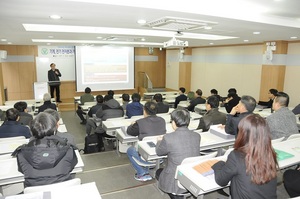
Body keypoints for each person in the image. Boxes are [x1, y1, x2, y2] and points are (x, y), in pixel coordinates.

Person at [212, 114, 278, 199]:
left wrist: (219, 164)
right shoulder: (270, 154)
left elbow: (221, 180)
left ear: (243, 133)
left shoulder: (236, 156)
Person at [13, 112, 78, 187]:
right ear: (55, 128)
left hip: (34, 192)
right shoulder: (68, 149)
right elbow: (71, 167)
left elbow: (22, 170)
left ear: (32, 130)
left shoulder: (21, 153)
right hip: (63, 190)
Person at [156, 109, 200, 199]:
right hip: (192, 174)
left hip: (174, 179)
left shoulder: (168, 138)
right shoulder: (197, 136)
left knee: (158, 171)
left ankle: (174, 194)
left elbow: (159, 152)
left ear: (174, 122)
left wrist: (159, 141)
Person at [127, 101, 166, 181]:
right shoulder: (162, 120)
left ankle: (142, 173)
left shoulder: (139, 122)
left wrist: (132, 124)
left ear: (144, 111)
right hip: (159, 153)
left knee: (130, 150)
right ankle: (153, 164)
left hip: (144, 155)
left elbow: (130, 132)